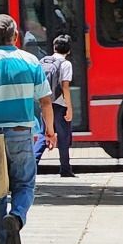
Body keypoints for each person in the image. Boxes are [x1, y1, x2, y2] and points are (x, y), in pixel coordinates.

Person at [0, 14, 57, 244]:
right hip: (22, 132)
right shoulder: (31, 61)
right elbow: (45, 101)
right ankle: (17, 217)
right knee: (25, 183)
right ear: (15, 36)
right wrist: (49, 131)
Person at [41, 34, 75, 177]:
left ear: (54, 47)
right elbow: (65, 86)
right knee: (63, 136)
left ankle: (32, 167)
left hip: (45, 102)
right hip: (59, 105)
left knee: (44, 134)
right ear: (68, 50)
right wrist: (69, 107)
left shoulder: (43, 61)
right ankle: (65, 169)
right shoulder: (66, 64)